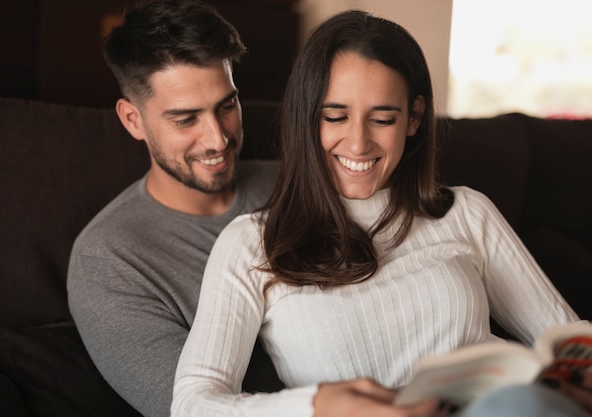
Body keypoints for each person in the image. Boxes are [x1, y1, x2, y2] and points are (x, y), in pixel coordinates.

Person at [171, 9, 591, 417]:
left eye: (383, 119)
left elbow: (571, 344)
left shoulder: (465, 213)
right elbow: (192, 403)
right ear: (306, 118)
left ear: (414, 118)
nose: (358, 144)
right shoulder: (251, 244)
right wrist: (318, 407)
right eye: (335, 116)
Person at [66, 1, 284, 416]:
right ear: (132, 120)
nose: (218, 139)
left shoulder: (297, 181)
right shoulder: (109, 261)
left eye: (226, 106)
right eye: (186, 120)